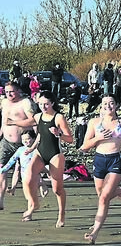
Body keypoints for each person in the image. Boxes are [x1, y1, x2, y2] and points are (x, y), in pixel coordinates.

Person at [79, 94, 121, 244]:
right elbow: (84, 147)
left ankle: (94, 232)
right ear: (101, 106)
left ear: (116, 105)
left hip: (115, 161)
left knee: (104, 198)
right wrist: (98, 138)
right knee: (101, 195)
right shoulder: (94, 122)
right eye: (104, 103)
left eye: (111, 103)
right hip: (99, 160)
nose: (108, 106)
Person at [22, 91, 74, 226]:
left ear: (52, 103)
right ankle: (34, 204)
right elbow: (40, 135)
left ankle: (61, 214)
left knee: (57, 189)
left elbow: (70, 139)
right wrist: (32, 148)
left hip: (55, 154)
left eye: (46, 104)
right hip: (40, 152)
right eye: (40, 104)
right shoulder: (38, 116)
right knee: (27, 178)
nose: (43, 107)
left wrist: (59, 134)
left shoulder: (58, 118)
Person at [0, 82, 35, 210]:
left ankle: (31, 205)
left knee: (25, 173)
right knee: (2, 169)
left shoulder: (25, 102)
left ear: (18, 91)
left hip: (23, 143)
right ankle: (1, 199)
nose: (9, 94)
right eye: (6, 91)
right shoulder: (4, 102)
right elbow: (4, 121)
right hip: (5, 142)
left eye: (12, 91)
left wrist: (14, 122)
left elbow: (33, 120)